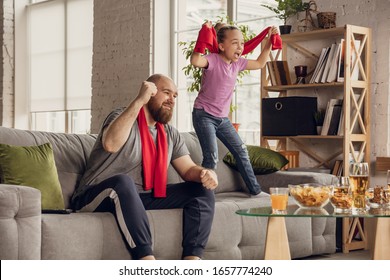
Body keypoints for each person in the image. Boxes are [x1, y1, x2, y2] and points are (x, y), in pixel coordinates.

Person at [71, 74, 218, 260]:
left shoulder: (170, 133)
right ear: (150, 92)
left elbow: (188, 170)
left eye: (175, 96)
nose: (171, 100)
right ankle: (146, 262)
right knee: (123, 182)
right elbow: (111, 144)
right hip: (94, 196)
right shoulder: (121, 117)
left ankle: (192, 262)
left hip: (139, 197)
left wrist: (206, 173)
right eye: (166, 93)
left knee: (201, 191)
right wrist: (139, 100)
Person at [190, 22, 279, 195]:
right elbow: (195, 60)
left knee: (241, 150)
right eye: (235, 43)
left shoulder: (238, 64)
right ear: (221, 46)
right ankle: (204, 196)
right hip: (204, 115)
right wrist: (203, 35)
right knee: (211, 156)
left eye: (242, 43)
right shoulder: (213, 60)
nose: (240, 47)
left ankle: (255, 191)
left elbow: (260, 63)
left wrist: (268, 42)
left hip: (222, 119)